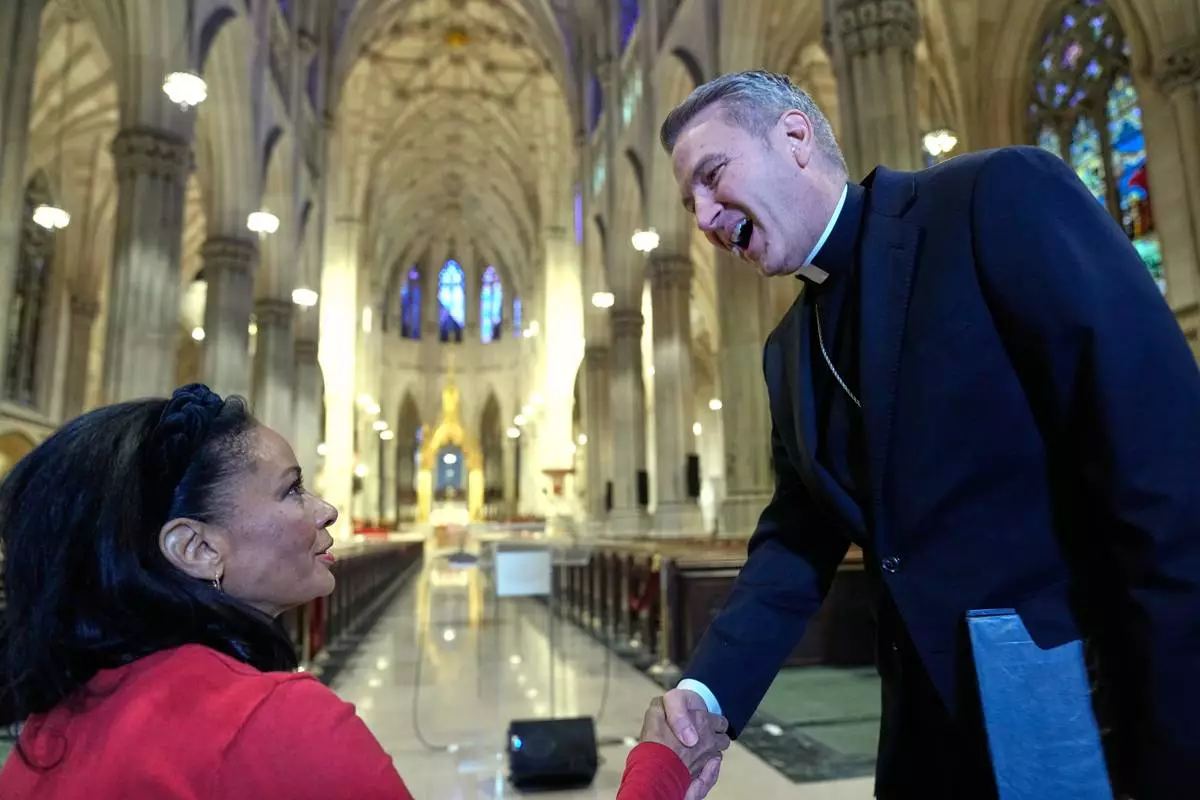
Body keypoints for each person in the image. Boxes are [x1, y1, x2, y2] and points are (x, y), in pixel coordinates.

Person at [654, 70, 1200, 799]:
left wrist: (1180, 737)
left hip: (1074, 701)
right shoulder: (788, 349)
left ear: (794, 137)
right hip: (923, 742)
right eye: (691, 200)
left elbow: (1162, 460)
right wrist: (706, 698)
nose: (703, 216)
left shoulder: (992, 201)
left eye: (712, 177)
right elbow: (794, 541)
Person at [0, 384, 729, 799]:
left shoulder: (43, 737)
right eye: (292, 491)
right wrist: (659, 773)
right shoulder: (277, 726)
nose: (326, 510)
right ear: (196, 547)